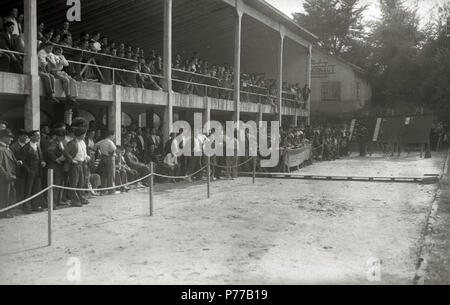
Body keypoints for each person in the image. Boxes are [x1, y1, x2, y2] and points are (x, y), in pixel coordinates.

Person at [64, 127, 90, 207]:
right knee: (74, 183)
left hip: (82, 164)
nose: (85, 135)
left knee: (80, 183)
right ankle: (74, 201)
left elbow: (83, 152)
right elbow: (65, 152)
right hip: (74, 165)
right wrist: (71, 160)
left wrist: (86, 157)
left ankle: (81, 198)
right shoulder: (72, 142)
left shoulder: (83, 142)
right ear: (81, 134)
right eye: (84, 134)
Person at [21, 130, 46, 213]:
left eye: (39, 135)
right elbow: (22, 161)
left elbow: (40, 157)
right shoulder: (25, 148)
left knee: (37, 189)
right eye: (37, 135)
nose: (39, 137)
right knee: (28, 190)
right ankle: (27, 207)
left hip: (38, 172)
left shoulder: (37, 146)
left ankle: (35, 205)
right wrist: (29, 170)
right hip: (30, 173)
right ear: (31, 137)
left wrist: (42, 161)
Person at [46, 128, 68, 207]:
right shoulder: (54, 143)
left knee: (58, 185)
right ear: (58, 136)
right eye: (63, 136)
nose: (64, 138)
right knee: (54, 185)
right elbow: (49, 152)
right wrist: (56, 159)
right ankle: (52, 203)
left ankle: (57, 201)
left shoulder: (60, 143)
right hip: (54, 166)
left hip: (60, 167)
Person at [0, 129, 19, 219]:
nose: (11, 139)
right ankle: (3, 213)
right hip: (5, 177)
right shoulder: (1, 149)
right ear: (3, 138)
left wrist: (17, 162)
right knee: (4, 195)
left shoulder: (7, 148)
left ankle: (8, 212)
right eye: (9, 137)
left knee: (10, 194)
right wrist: (6, 175)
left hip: (11, 176)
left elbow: (12, 160)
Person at [9, 129, 28, 203]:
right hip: (19, 170)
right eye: (24, 136)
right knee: (19, 188)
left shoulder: (28, 145)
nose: (26, 137)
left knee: (26, 188)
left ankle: (24, 203)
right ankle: (19, 204)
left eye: (27, 136)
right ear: (20, 136)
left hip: (27, 170)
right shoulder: (13, 146)